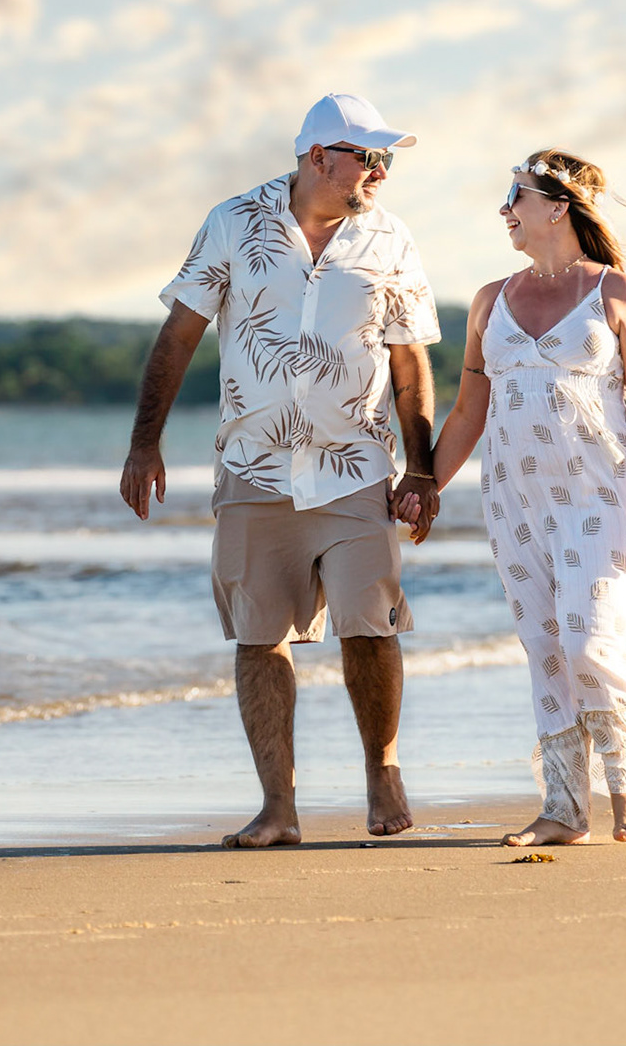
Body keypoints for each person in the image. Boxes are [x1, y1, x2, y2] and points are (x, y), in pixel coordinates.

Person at [120, 93, 443, 848]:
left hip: (357, 466)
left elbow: (409, 360)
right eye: (372, 156)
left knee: (371, 625)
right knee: (259, 636)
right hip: (254, 468)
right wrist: (145, 443)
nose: (382, 172)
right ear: (319, 157)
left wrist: (420, 470)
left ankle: (382, 768)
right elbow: (180, 333)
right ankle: (279, 806)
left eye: (386, 158)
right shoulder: (233, 222)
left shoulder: (391, 239)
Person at [399, 148, 626, 845]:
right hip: (515, 500)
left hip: (603, 493)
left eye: (516, 197)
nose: (505, 211)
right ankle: (564, 809)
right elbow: (468, 411)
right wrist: (426, 482)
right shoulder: (491, 299)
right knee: (546, 646)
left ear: (557, 206)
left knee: (588, 637)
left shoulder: (617, 291)